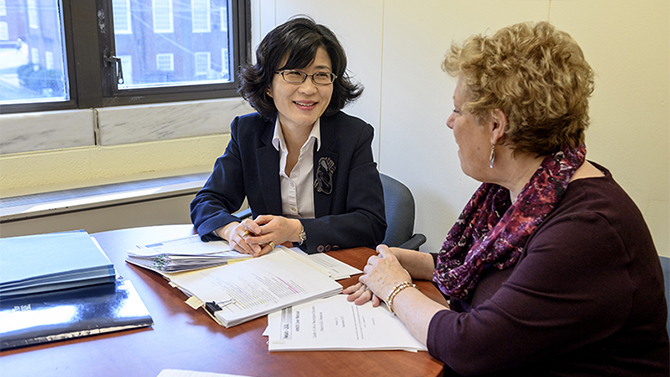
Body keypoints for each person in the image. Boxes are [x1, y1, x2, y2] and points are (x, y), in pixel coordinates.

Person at [345, 21, 669, 376]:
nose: (450, 122)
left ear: (497, 126)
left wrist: (396, 290)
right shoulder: (532, 191)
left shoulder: (588, 230)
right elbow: (497, 274)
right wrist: (419, 263)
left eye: (459, 110)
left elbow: (471, 347)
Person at [190, 17, 386, 257]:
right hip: (270, 266)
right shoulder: (247, 132)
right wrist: (231, 230)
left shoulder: (354, 136)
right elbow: (207, 201)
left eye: (321, 75)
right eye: (294, 74)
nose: (308, 89)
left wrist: (296, 229)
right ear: (268, 85)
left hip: (333, 267)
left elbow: (370, 224)